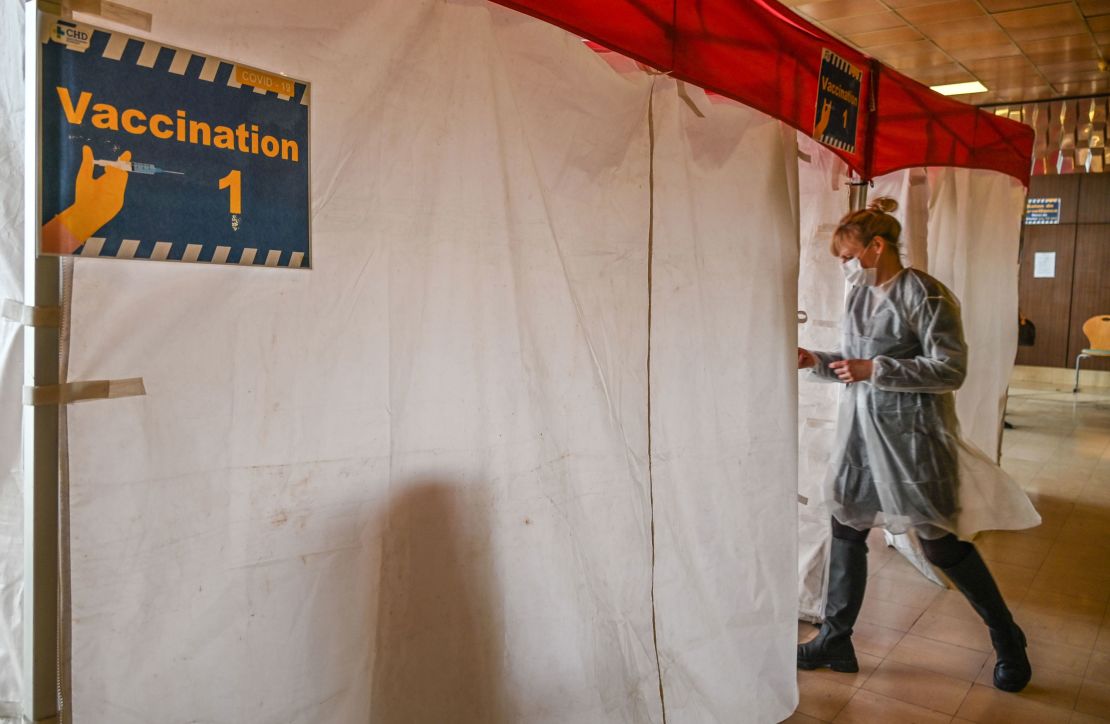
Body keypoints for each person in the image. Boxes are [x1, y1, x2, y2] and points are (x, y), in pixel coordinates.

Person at [796, 198, 1032, 693]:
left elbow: (950, 369)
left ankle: (1008, 638)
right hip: (862, 437)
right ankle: (835, 640)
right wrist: (814, 359)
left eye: (849, 255)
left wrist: (875, 370)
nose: (845, 266)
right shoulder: (860, 298)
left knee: (941, 544)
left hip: (914, 441)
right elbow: (854, 362)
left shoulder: (926, 296)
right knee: (845, 524)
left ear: (876, 247)